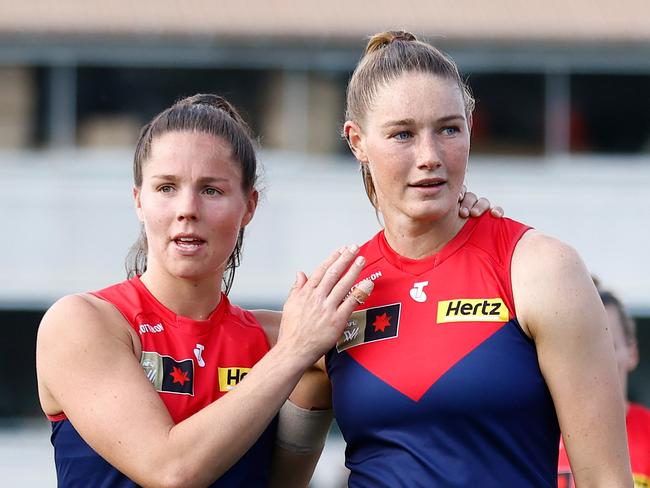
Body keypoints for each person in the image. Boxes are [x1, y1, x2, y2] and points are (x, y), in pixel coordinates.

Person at [36, 93, 493, 487]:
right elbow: (171, 471)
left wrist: (457, 221)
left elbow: (436, 331)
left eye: (212, 190)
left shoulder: (281, 338)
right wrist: (294, 352)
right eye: (166, 188)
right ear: (139, 200)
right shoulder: (83, 323)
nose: (187, 209)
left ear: (249, 206)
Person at [282, 31, 633, 487]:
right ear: (357, 142)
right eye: (402, 134)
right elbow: (278, 478)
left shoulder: (540, 269)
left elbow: (606, 478)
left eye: (448, 129)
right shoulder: (336, 296)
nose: (429, 157)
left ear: (470, 125)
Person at [558, 283, 650, 488]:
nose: (594, 359)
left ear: (632, 353)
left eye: (608, 346)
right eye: (580, 346)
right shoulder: (535, 437)